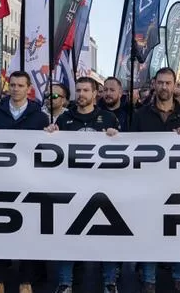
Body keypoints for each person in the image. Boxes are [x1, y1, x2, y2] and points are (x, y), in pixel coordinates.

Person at [44, 77, 121, 293]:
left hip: (103, 188)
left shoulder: (109, 117)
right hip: (72, 187)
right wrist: (50, 135)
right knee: (69, 234)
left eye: (86, 90)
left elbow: (123, 152)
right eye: (78, 90)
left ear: (95, 93)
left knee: (107, 235)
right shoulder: (65, 119)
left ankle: (109, 281)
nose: (81, 94)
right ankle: (65, 281)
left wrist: (116, 137)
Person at [0, 71, 49, 293]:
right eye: (13, 85)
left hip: (30, 181)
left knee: (29, 231)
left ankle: (26, 280)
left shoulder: (40, 117)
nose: (16, 88)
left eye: (20, 85)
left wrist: (52, 134)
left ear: (29, 88)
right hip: (1, 181)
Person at [132, 67, 180, 292]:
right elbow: (130, 149)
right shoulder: (141, 115)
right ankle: (149, 279)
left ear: (175, 85)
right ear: (154, 84)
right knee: (150, 232)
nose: (164, 87)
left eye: (168, 83)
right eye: (160, 83)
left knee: (178, 232)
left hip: (177, 184)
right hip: (149, 185)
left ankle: (179, 277)